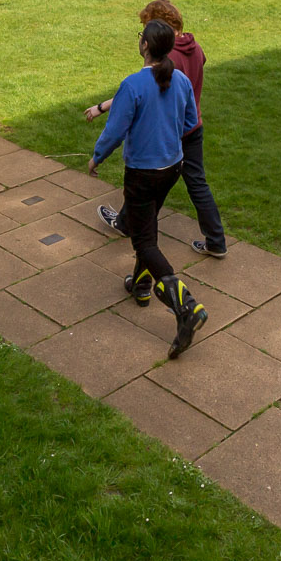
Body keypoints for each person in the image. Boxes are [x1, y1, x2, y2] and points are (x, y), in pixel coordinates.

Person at [88, 19, 209, 359]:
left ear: (144, 46)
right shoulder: (181, 79)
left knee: (144, 240)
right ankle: (141, 286)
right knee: (148, 223)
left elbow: (114, 131)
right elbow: (189, 121)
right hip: (172, 169)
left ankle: (186, 306)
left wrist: (96, 159)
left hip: (142, 173)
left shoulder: (133, 85)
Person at [89, 0, 226, 257]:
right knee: (197, 184)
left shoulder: (167, 57)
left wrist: (102, 108)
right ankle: (216, 240)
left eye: (147, 26)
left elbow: (142, 91)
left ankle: (133, 233)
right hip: (192, 125)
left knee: (144, 179)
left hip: (170, 130)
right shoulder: (195, 48)